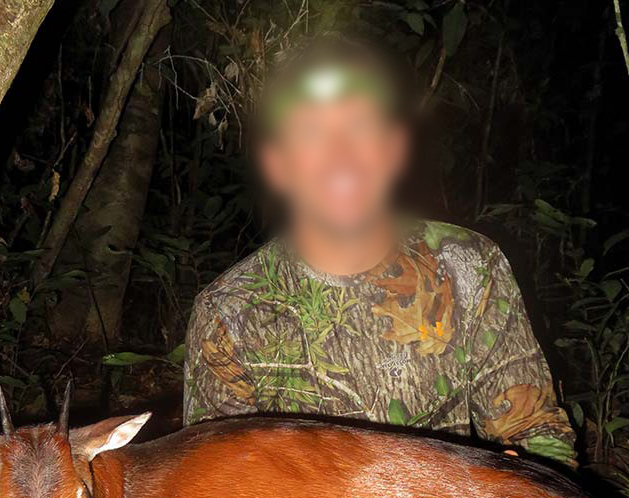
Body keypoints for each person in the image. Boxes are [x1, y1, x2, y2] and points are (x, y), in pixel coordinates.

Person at [183, 36, 575, 464]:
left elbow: (537, 436)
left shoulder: (469, 267)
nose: (341, 156)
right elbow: (215, 488)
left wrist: (527, 484)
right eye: (311, 132)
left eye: (360, 127)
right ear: (279, 163)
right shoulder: (229, 314)